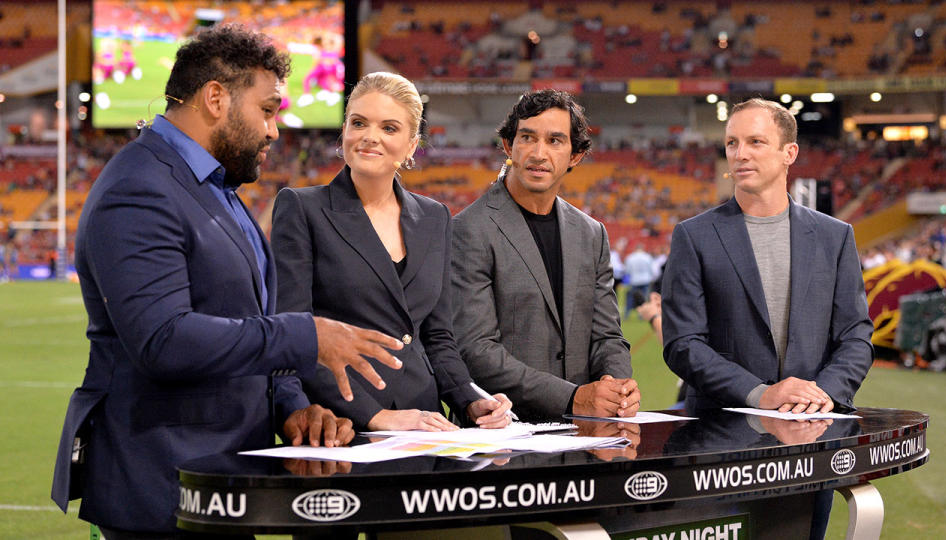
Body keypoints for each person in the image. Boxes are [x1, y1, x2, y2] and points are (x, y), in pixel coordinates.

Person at [51, 25, 405, 538]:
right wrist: (306, 335)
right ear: (215, 98)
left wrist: (293, 407)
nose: (274, 130)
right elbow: (163, 340)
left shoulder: (215, 187)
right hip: (165, 489)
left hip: (224, 483)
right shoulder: (139, 188)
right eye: (267, 109)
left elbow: (246, 323)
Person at [661, 98, 873, 540]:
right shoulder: (694, 236)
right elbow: (683, 344)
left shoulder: (836, 237)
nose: (741, 154)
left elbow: (855, 335)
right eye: (733, 143)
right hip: (720, 445)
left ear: (788, 153)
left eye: (756, 141)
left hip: (811, 439)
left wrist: (822, 395)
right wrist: (760, 394)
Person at [272, 72, 512, 432]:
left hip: (425, 423)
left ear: (412, 145)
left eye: (389, 128)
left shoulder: (435, 217)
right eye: (358, 123)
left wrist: (471, 399)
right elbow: (294, 333)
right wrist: (377, 417)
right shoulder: (301, 208)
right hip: (341, 425)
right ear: (345, 131)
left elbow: (437, 337)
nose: (370, 137)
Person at [451, 89, 640, 420]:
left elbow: (608, 336)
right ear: (509, 146)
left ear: (575, 156)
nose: (539, 153)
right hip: (502, 434)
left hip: (584, 433)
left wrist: (618, 386)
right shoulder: (469, 229)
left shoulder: (591, 233)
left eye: (555, 141)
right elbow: (476, 350)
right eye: (527, 138)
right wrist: (572, 398)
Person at [622, 243, 656, 319]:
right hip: (645, 280)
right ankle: (642, 315)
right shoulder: (647, 257)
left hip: (634, 280)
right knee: (643, 298)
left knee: (631, 298)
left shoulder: (630, 257)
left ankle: (627, 314)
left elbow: (627, 271)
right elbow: (652, 270)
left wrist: (626, 282)